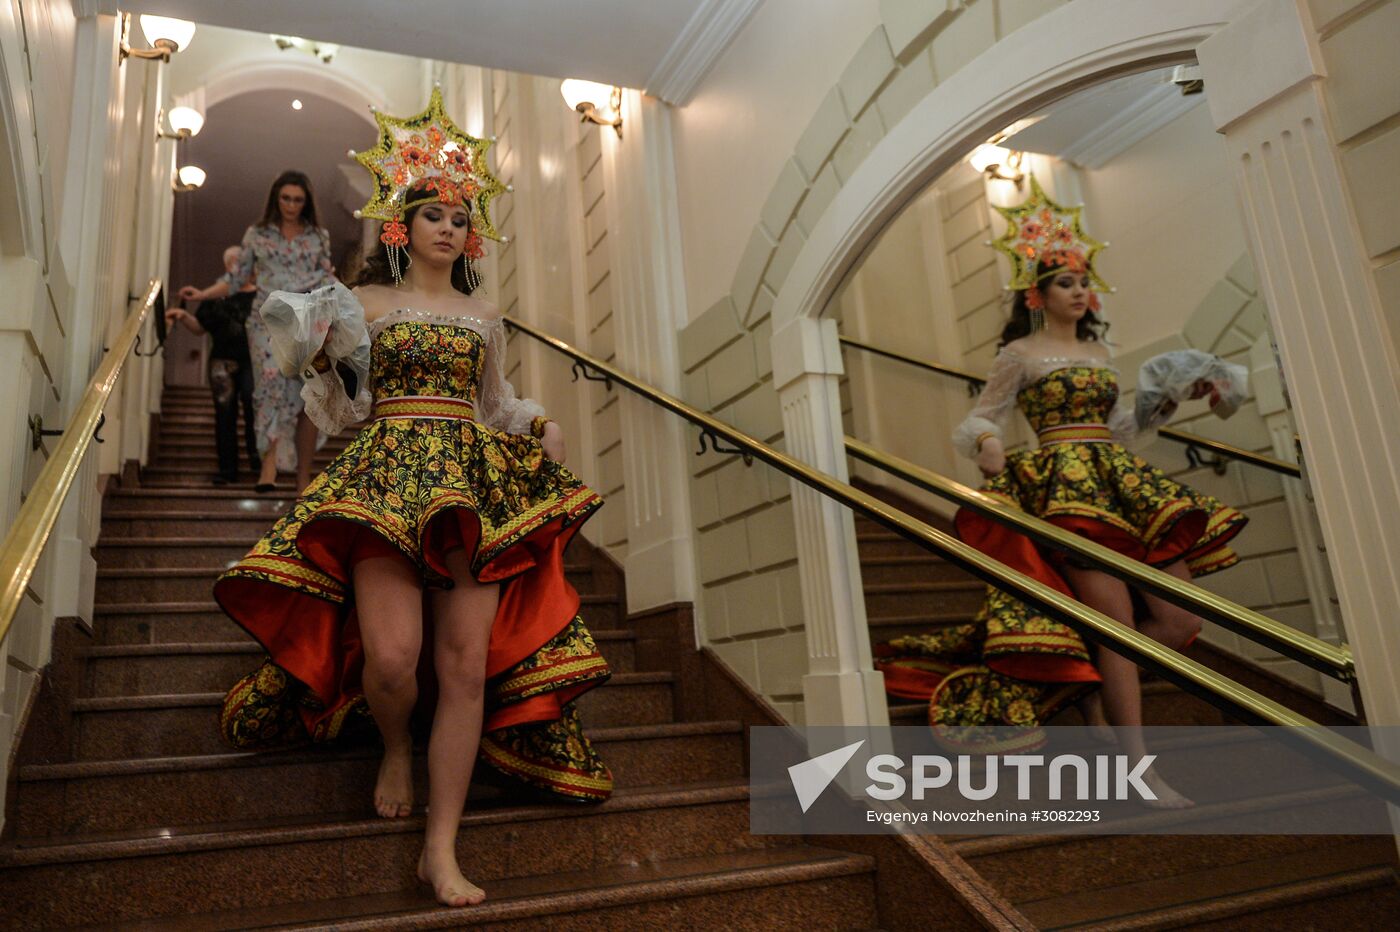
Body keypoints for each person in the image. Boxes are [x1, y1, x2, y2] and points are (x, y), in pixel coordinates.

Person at [214, 92, 611, 909]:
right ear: (402, 227)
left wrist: (541, 425)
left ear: (470, 236)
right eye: (431, 213)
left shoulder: (484, 315)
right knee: (395, 660)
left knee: (462, 669)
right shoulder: (363, 304)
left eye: (459, 219)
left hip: (470, 485)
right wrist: (317, 359)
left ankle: (442, 846)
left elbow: (494, 406)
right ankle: (394, 742)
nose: (447, 227)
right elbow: (343, 406)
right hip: (387, 476)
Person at [876, 178, 1247, 809]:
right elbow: (980, 417)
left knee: (1181, 616)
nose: (1079, 292)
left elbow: (1124, 428)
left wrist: (1174, 400)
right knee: (1118, 623)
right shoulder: (1019, 353)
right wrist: (988, 445)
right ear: (1037, 293)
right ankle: (1139, 770)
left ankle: (1089, 695)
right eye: (1066, 283)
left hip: (1114, 480)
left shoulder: (1103, 352)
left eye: (1084, 283)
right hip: (1064, 489)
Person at [180, 170, 334, 493]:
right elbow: (236, 280)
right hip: (265, 322)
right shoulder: (257, 234)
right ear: (276, 199)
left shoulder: (318, 236)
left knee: (309, 393)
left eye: (298, 200)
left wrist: (343, 312)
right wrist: (203, 294)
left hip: (306, 320)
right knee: (268, 389)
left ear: (306, 203)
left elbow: (326, 281)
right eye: (286, 198)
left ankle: (303, 475)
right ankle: (269, 466)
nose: (291, 205)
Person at [166, 246, 260, 485]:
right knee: (224, 413)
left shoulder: (262, 294)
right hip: (221, 362)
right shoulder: (213, 296)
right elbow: (199, 327)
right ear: (228, 266)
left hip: (254, 362)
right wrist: (183, 315)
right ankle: (227, 471)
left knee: (254, 406)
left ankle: (258, 461)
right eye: (237, 262)